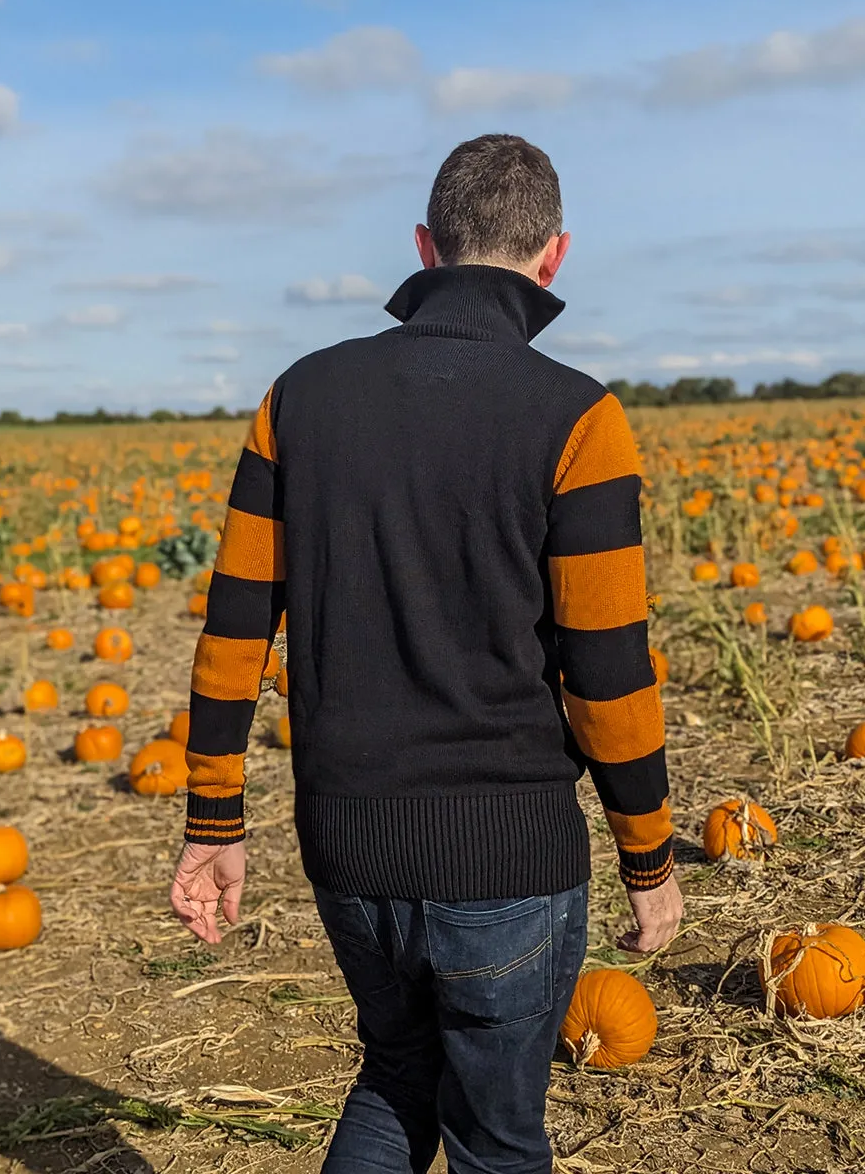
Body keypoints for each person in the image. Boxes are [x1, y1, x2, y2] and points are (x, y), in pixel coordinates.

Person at [170, 133, 683, 1174]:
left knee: (397, 1077)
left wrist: (212, 819)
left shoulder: (298, 399)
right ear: (555, 255)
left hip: (349, 839)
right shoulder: (579, 418)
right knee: (497, 1136)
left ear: (424, 245)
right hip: (508, 849)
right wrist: (651, 856)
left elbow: (232, 627)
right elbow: (607, 667)